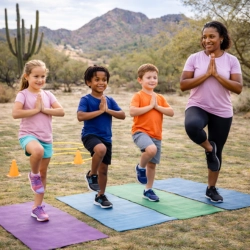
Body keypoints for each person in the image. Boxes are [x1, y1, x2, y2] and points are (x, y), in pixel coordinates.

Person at [180, 21, 243, 202]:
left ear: (221, 38)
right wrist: (206, 74)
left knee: (218, 152)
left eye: (211, 36)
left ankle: (211, 188)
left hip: (222, 110)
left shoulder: (232, 60)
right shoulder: (194, 58)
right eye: (204, 37)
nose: (207, 40)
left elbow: (238, 88)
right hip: (198, 105)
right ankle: (209, 148)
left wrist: (216, 74)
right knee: (192, 126)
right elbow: (183, 84)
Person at [12, 60, 65, 221]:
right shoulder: (23, 94)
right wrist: (35, 110)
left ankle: (38, 208)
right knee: (38, 152)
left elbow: (61, 111)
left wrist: (44, 109)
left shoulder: (48, 95)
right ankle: (32, 175)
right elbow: (16, 113)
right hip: (28, 135)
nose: (40, 80)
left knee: (43, 174)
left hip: (46, 138)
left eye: (43, 76)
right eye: (36, 76)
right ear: (27, 76)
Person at [77, 65, 125, 209]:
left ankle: (100, 195)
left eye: (104, 80)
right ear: (88, 82)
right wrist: (99, 112)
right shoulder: (86, 99)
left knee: (104, 170)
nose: (101, 82)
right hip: (90, 135)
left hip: (106, 137)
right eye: (97, 79)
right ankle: (92, 175)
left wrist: (107, 110)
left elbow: (122, 115)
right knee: (100, 149)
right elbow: (80, 116)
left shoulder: (109, 100)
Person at [130, 63, 174, 202]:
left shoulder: (159, 98)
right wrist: (150, 106)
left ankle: (148, 190)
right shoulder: (138, 96)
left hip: (156, 134)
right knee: (151, 149)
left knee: (152, 165)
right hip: (140, 132)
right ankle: (140, 167)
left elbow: (171, 112)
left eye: (155, 77)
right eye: (148, 77)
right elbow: (132, 111)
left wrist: (157, 106)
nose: (152, 80)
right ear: (140, 80)